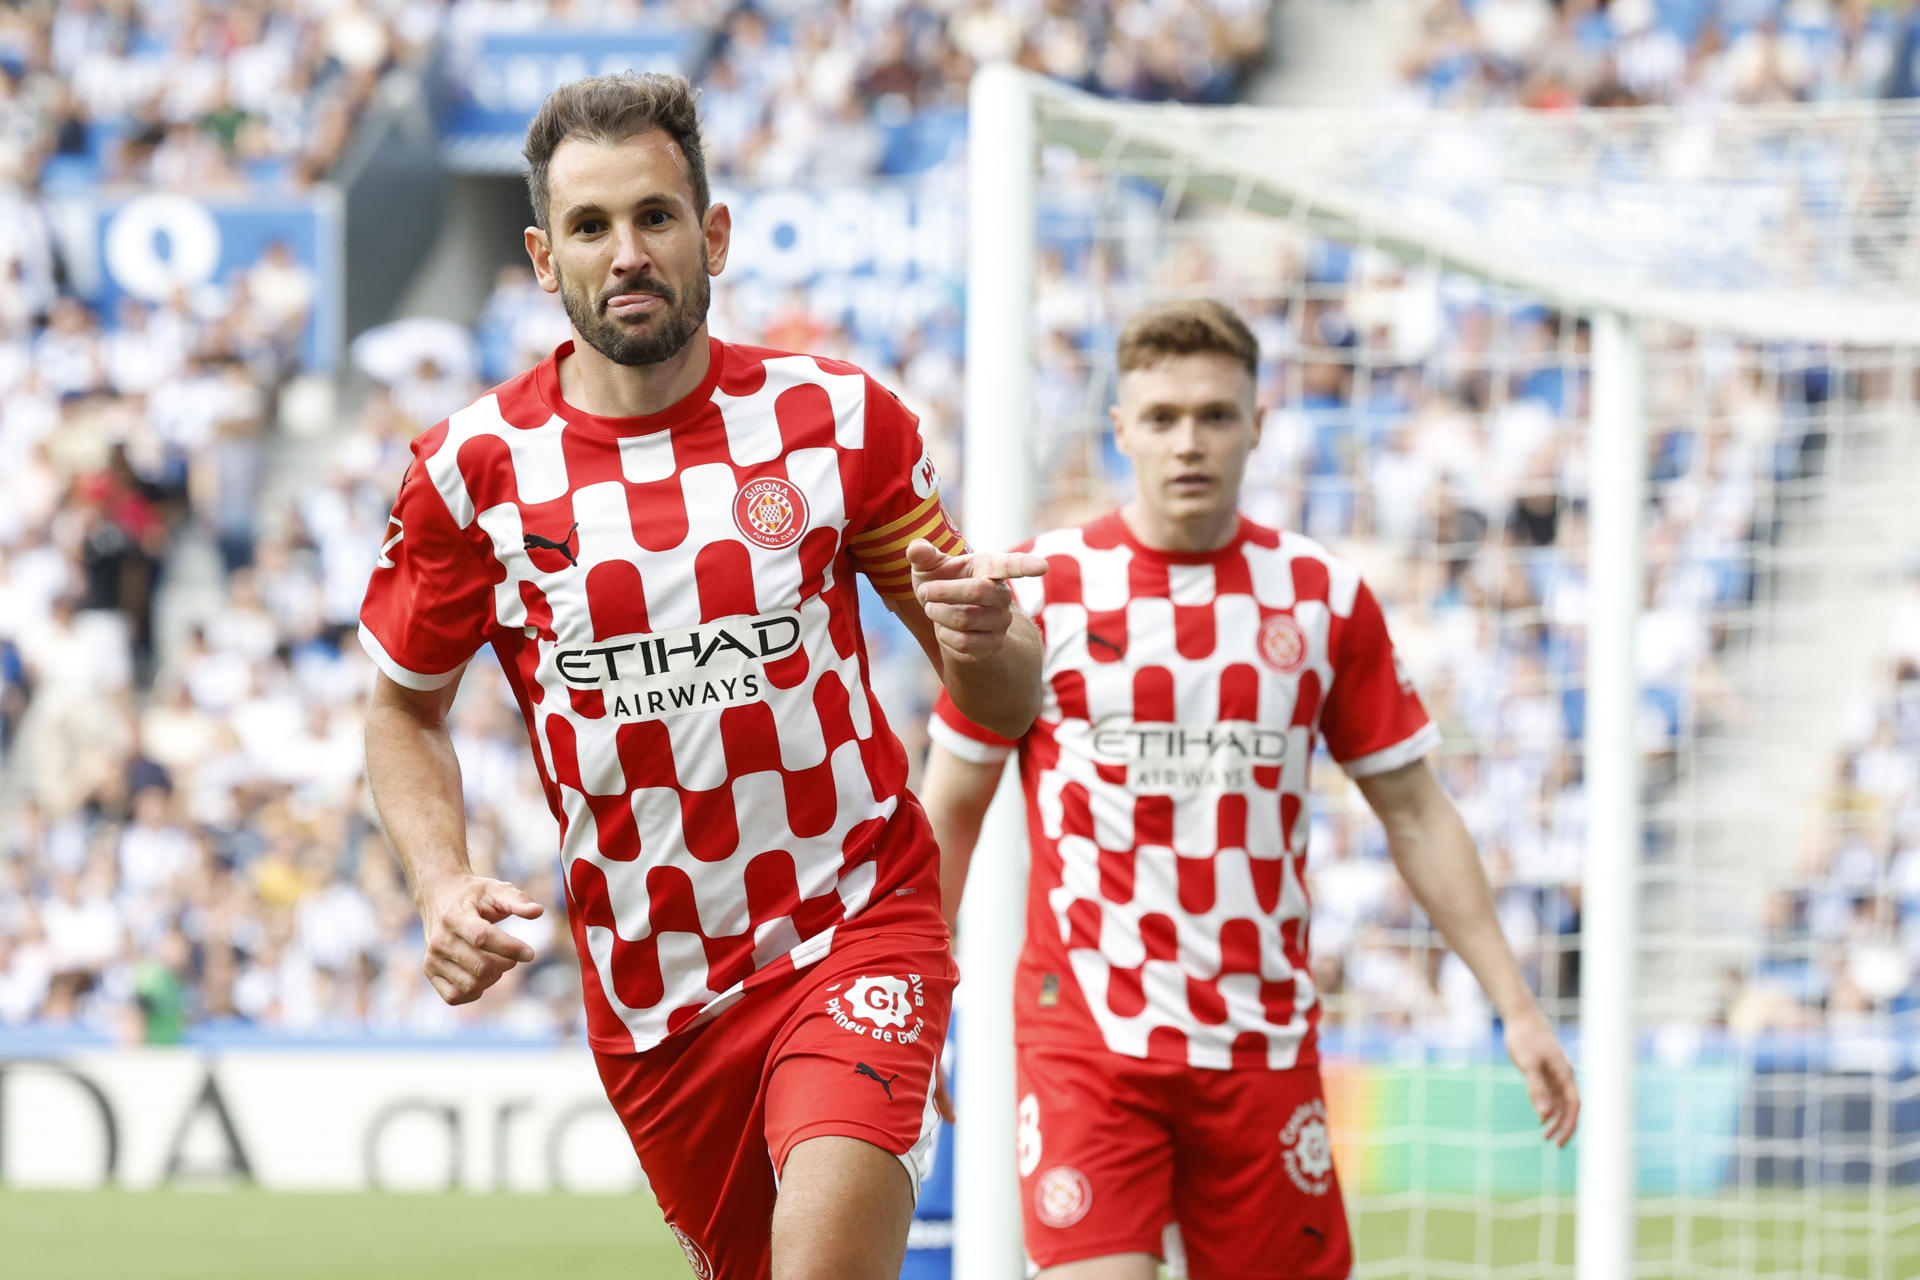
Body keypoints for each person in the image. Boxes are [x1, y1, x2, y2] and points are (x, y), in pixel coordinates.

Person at [357, 73, 1046, 1280]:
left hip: (855, 925)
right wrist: (441, 879)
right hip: (658, 1000)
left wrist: (991, 641)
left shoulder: (836, 421)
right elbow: (404, 709)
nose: (627, 253)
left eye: (656, 217)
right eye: (590, 226)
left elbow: (1003, 699)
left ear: (712, 233)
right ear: (540, 256)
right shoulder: (473, 473)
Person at [921, 300, 1580, 1280]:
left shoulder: (1319, 596)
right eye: (1162, 417)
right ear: (1122, 430)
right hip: (1089, 1039)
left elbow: (1415, 810)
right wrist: (926, 1001)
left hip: (1260, 1042)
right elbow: (951, 807)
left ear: (1259, 423)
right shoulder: (1046, 585)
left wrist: (1515, 1003)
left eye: (1216, 415)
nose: (1189, 441)